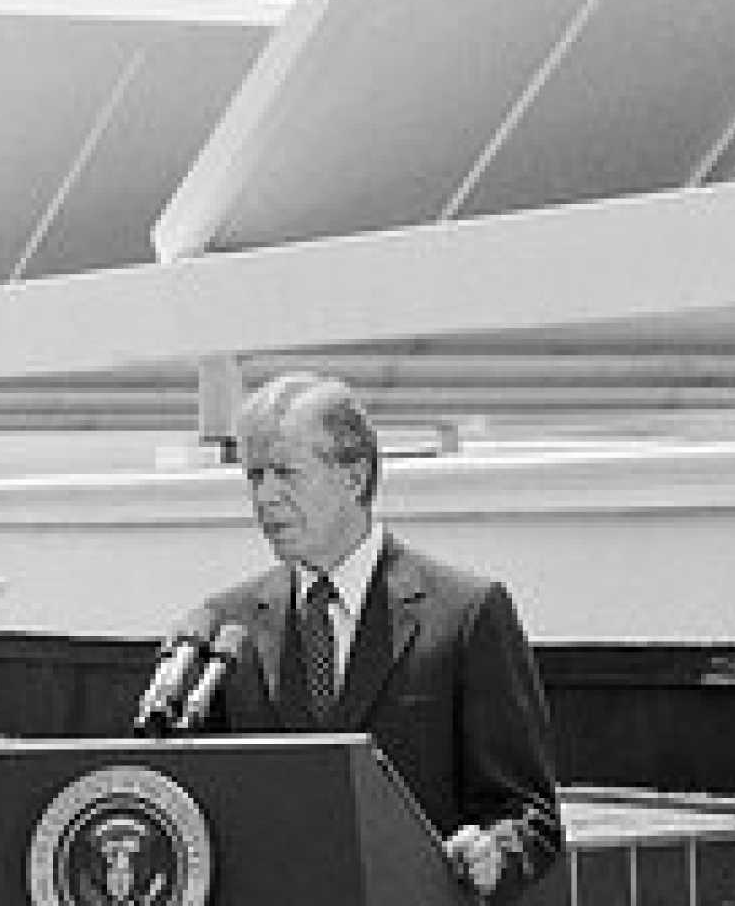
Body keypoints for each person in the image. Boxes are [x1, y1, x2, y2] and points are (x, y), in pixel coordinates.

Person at [188, 372, 561, 902]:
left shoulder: (466, 614)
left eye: (286, 473)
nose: (265, 496)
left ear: (355, 476)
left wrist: (494, 852)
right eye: (254, 476)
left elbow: (530, 818)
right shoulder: (228, 625)